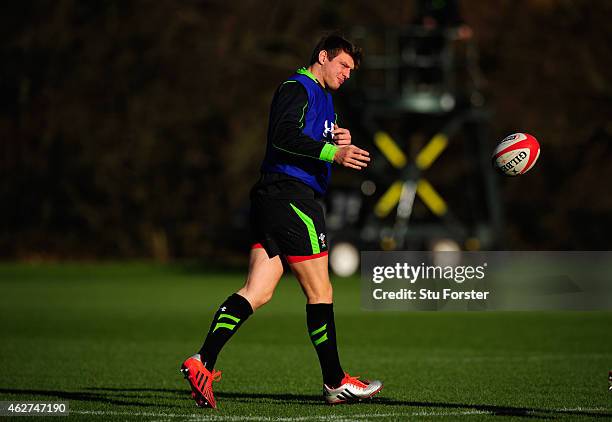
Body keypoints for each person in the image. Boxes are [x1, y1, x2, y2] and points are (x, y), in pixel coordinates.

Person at [180, 34, 383, 409]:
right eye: (343, 66)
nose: (347, 74)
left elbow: (313, 142)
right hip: (292, 197)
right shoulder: (297, 87)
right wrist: (331, 153)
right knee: (321, 292)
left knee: (257, 291)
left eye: (351, 70)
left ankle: (201, 361)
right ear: (323, 56)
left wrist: (338, 140)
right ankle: (336, 381)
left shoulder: (327, 101)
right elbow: (283, 136)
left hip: (275, 198)